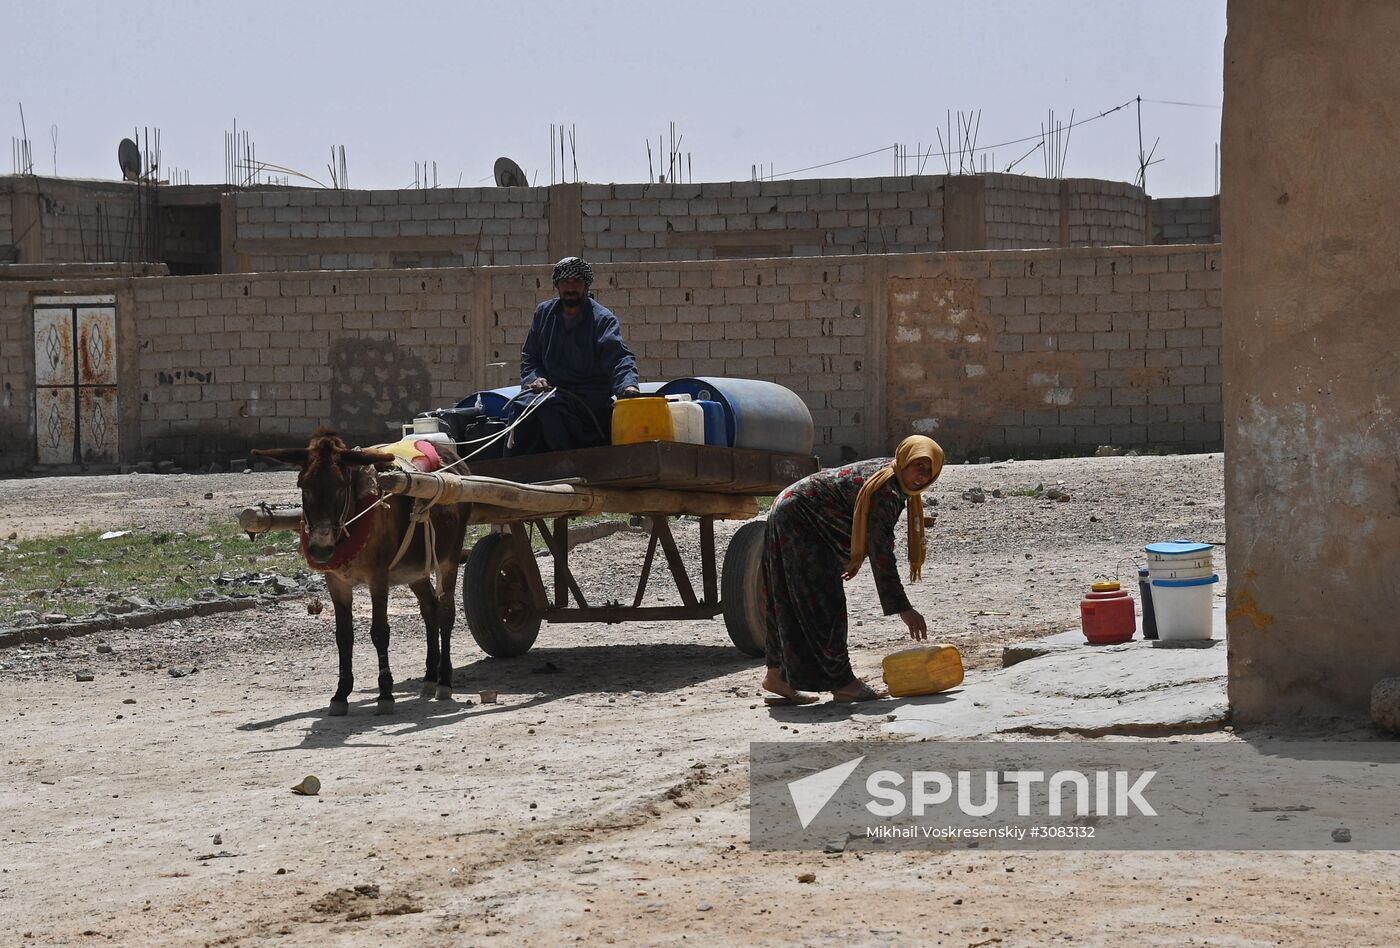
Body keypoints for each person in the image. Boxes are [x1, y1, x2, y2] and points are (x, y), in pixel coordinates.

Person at [760, 436, 945, 705]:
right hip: (799, 518)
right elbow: (881, 550)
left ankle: (775, 675)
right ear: (904, 460)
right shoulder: (888, 489)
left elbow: (861, 525)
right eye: (918, 466)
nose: (922, 476)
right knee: (826, 604)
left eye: (929, 471)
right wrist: (903, 607)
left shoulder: (889, 475)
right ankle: (844, 683)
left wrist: (853, 556)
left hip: (790, 509)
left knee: (786, 598)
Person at [505, 256, 641, 456]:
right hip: (551, 393)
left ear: (586, 285)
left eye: (576, 282)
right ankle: (514, 473)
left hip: (589, 400)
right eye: (565, 282)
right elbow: (531, 357)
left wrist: (628, 386)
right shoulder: (543, 314)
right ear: (557, 286)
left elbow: (619, 358)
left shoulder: (602, 319)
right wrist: (536, 379)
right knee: (520, 409)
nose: (570, 287)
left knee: (550, 412)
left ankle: (568, 465)